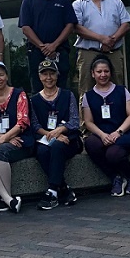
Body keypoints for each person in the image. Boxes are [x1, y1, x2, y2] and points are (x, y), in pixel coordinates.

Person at [82, 56, 130, 197]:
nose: (103, 75)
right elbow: (88, 121)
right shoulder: (88, 96)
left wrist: (118, 132)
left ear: (110, 72)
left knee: (112, 154)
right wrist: (102, 135)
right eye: (99, 72)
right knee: (90, 143)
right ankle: (115, 177)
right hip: (101, 134)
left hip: (122, 133)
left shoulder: (122, 91)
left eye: (106, 71)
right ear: (93, 73)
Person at [30, 60, 83, 210]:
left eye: (52, 73)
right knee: (42, 151)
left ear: (57, 75)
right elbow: (35, 125)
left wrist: (60, 130)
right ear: (39, 77)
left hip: (69, 139)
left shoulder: (68, 95)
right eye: (45, 74)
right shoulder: (34, 100)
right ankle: (63, 188)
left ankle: (52, 191)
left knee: (58, 147)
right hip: (46, 138)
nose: (48, 77)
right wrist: (52, 135)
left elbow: (74, 121)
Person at [0, 62, 32, 214]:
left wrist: (4, 139)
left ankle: (6, 198)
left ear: (7, 76)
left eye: (1, 75)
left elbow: (22, 122)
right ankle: (9, 199)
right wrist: (5, 138)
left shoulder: (19, 94)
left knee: (0, 151)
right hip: (4, 140)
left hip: (22, 140)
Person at [19, 0, 77, 93]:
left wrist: (54, 46)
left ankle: (62, 113)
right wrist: (42, 47)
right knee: (37, 87)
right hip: (36, 52)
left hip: (60, 51)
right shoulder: (28, 1)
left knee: (62, 87)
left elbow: (70, 25)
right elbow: (25, 27)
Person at [73, 0, 130, 92]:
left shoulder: (116, 2)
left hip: (114, 51)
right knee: (86, 90)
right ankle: (86, 112)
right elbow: (77, 28)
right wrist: (102, 39)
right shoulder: (78, 4)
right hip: (88, 52)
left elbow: (126, 24)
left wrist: (112, 40)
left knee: (118, 89)